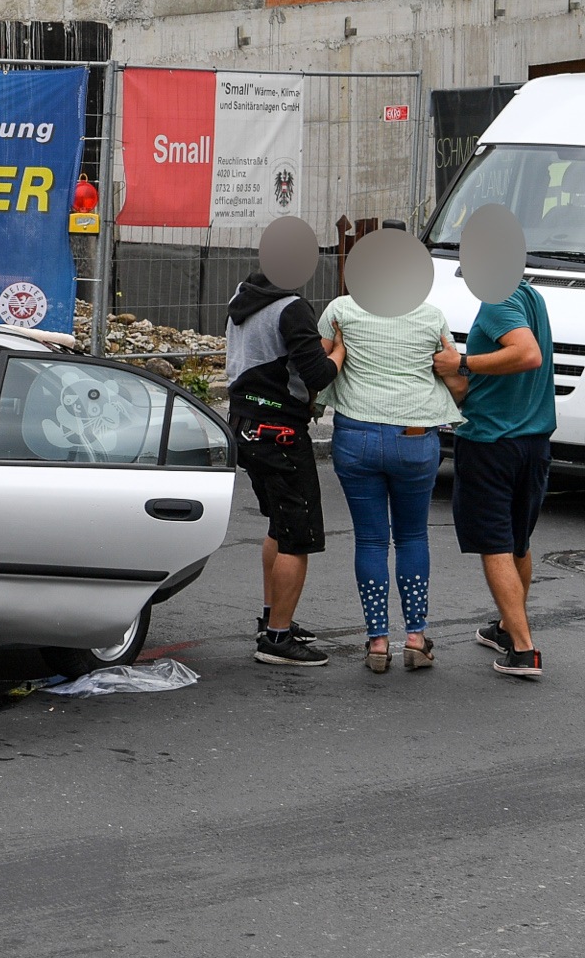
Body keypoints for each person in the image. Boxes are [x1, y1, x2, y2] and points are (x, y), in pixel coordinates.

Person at [314, 289, 464, 672]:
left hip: (356, 434)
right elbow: (452, 376)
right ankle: (416, 637)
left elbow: (317, 366)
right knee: (413, 536)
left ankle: (378, 641)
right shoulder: (431, 316)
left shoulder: (341, 310)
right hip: (415, 435)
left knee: (370, 539)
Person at [433, 274, 558, 678]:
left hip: (491, 440)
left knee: (496, 544)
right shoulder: (530, 296)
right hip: (533, 440)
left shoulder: (496, 302)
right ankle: (507, 628)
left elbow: (528, 354)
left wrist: (461, 362)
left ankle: (524, 650)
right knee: (518, 543)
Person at [225, 263, 344, 666]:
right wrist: (339, 352)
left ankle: (272, 619)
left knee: (279, 524)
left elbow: (276, 357)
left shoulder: (243, 297)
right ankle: (277, 639)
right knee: (298, 535)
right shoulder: (291, 307)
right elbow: (316, 373)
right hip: (281, 433)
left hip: (245, 424)